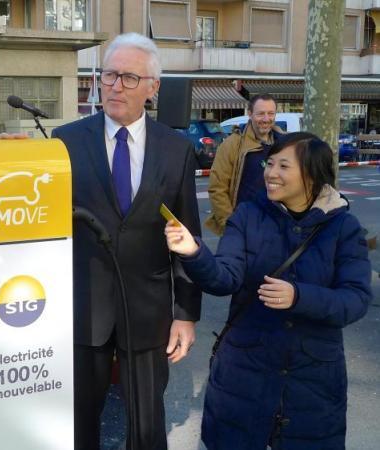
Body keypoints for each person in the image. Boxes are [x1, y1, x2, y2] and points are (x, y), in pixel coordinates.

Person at [164, 132, 372, 449]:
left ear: (311, 174)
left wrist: (299, 297)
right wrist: (194, 252)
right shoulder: (248, 215)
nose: (271, 173)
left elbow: (355, 299)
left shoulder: (344, 227)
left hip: (312, 381)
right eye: (269, 163)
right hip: (244, 371)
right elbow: (224, 279)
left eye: (283, 166)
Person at [51, 32, 202, 450]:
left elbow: (186, 236)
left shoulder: (176, 149)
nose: (116, 86)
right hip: (83, 309)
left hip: (148, 312)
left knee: (148, 428)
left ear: (153, 87)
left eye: (129, 78)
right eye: (109, 75)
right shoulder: (64, 141)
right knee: (78, 425)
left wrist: (185, 314)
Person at [206, 94, 284, 235]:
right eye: (260, 114)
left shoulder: (285, 144)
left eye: (271, 113)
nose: (266, 119)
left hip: (278, 228)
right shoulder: (232, 145)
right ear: (249, 114)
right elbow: (217, 188)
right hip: (244, 228)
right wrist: (231, 226)